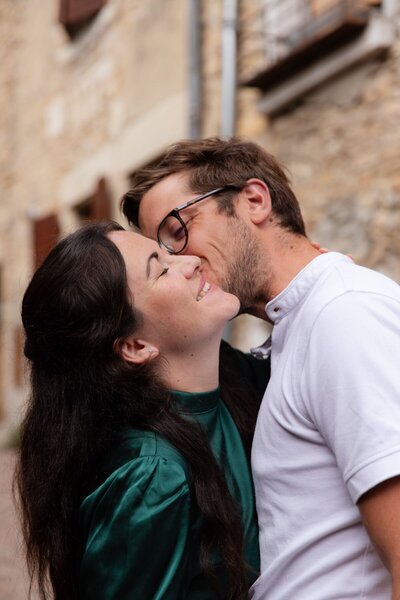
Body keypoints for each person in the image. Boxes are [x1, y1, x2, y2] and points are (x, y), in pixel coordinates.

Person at [121, 137, 400, 599]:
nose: (182, 262)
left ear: (253, 200)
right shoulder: (306, 324)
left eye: (177, 230)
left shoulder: (345, 315)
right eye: (163, 254)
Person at [16, 221, 262, 600]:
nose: (192, 261)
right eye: (161, 269)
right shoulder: (152, 476)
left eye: (167, 254)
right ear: (134, 345)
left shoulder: (231, 388)